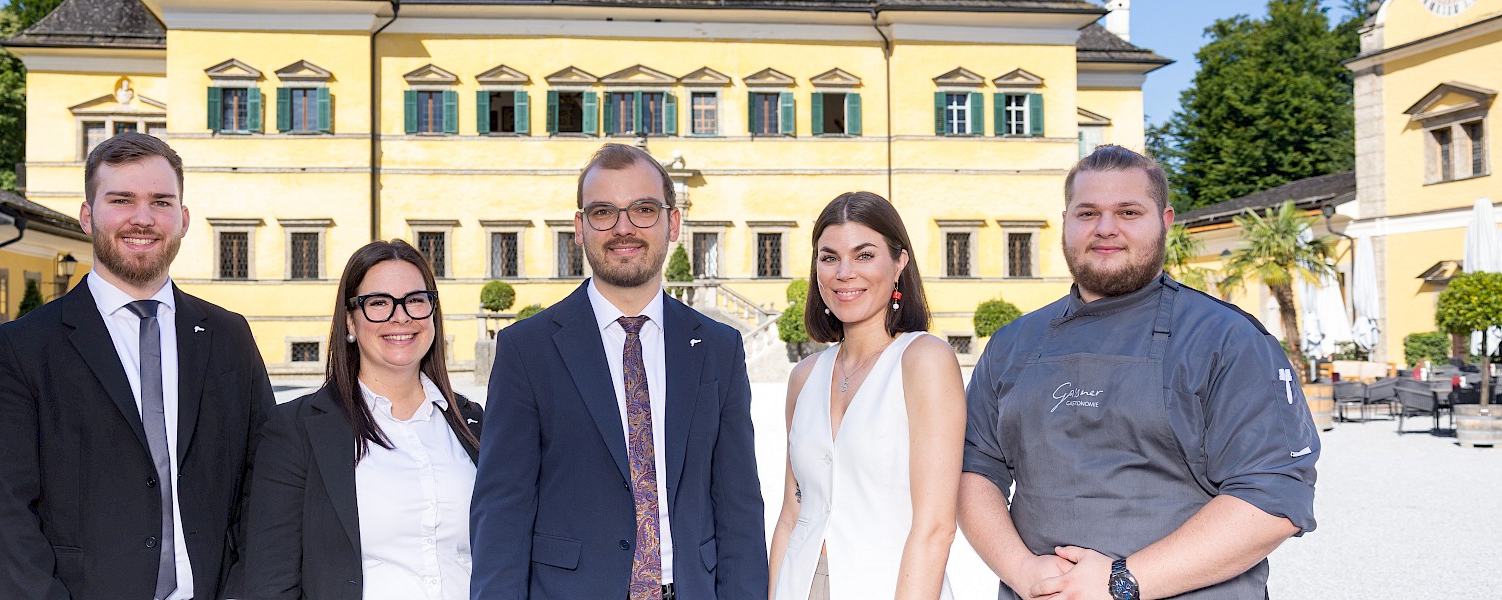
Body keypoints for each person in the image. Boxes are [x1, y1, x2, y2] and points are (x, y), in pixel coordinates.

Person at [959, 145, 1320, 600]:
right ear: (1066, 222)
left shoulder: (1227, 339)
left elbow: (1273, 496)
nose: (1105, 228)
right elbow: (977, 470)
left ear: (1164, 221)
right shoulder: (1013, 344)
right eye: (1087, 213)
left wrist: (1122, 580)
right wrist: (1023, 571)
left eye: (1128, 211)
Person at [0, 132, 275, 599]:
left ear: (184, 219)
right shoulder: (24, 348)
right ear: (88, 217)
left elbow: (266, 478)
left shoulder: (229, 337)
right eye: (122, 199)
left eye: (161, 202)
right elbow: (0, 508)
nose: (144, 218)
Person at [470, 143, 765, 600]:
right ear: (580, 228)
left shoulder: (719, 349)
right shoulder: (526, 350)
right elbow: (501, 515)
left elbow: (739, 510)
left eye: (644, 209)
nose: (623, 228)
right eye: (603, 211)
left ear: (674, 223)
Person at [244, 240, 483, 599]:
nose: (400, 316)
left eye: (416, 300)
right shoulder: (296, 430)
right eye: (378, 303)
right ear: (350, 321)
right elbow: (270, 581)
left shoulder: (473, 423)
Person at [768, 192, 963, 600]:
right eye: (829, 257)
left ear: (899, 264)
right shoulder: (804, 376)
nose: (844, 273)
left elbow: (935, 527)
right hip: (798, 586)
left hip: (894, 587)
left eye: (864, 255)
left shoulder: (924, 360)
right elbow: (792, 515)